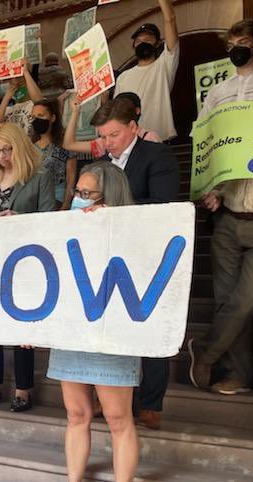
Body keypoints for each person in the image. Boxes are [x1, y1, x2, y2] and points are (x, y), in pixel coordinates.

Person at [44, 161, 140, 482]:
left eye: (88, 194)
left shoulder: (133, 234)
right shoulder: (65, 229)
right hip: (72, 331)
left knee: (118, 419)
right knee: (75, 414)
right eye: (77, 193)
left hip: (113, 333)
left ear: (111, 198)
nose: (79, 200)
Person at [189, 58, 253, 396]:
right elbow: (230, 165)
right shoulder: (246, 116)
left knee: (246, 301)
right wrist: (216, 192)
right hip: (230, 220)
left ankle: (205, 350)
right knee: (225, 300)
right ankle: (237, 375)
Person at [90, 96, 180, 430]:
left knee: (149, 331)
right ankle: (111, 396)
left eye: (113, 135)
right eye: (102, 136)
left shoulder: (157, 155)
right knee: (111, 331)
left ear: (132, 127)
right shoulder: (102, 165)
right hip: (108, 256)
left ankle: (151, 404)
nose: (106, 142)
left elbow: (163, 203)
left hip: (148, 257)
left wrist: (113, 208)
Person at [0, 122, 56, 411]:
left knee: (22, 328)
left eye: (7, 149)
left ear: (19, 147)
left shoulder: (39, 177)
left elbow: (49, 218)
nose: (1, 155)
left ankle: (23, 389)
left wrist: (19, 217)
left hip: (26, 260)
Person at [113, 0, 180, 141]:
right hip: (130, 143)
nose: (142, 43)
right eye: (138, 41)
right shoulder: (123, 77)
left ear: (158, 44)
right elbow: (117, 113)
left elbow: (170, 19)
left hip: (159, 140)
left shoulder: (164, 65)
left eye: (148, 39)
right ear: (133, 47)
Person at [63, 92, 162, 162]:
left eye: (115, 134)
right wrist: (75, 112)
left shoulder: (150, 138)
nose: (108, 143)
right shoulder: (104, 143)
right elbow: (69, 144)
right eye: (104, 137)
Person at [198, 19, 253, 118]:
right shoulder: (216, 91)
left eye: (242, 42)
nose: (236, 48)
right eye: (231, 45)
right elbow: (201, 130)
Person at [30, 99, 77, 209]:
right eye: (33, 117)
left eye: (41, 115)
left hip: (57, 199)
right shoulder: (29, 146)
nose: (36, 120)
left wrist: (65, 204)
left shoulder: (65, 144)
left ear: (53, 118)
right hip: (33, 201)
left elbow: (71, 178)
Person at [0, 59, 45, 134]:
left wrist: (25, 72)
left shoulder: (34, 106)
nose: (16, 81)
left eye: (20, 78)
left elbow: (39, 101)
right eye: (11, 79)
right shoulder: (7, 110)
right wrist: (6, 98)